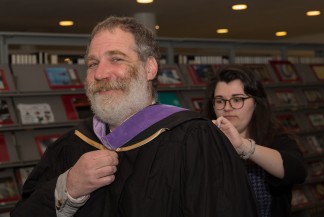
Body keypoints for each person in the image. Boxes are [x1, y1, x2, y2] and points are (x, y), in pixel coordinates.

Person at [11, 17, 259, 217]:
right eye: (92, 63)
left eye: (116, 59)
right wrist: (69, 188)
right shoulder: (71, 146)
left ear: (149, 68)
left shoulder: (195, 140)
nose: (100, 73)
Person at [202, 65, 307, 217]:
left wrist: (243, 146)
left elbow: (297, 171)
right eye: (220, 101)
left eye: (237, 99)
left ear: (256, 103)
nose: (227, 108)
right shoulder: (202, 140)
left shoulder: (275, 138)